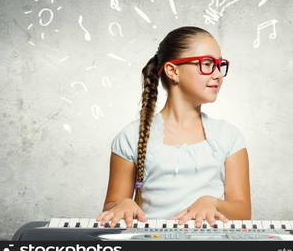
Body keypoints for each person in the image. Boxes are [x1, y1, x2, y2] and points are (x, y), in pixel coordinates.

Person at [96, 26, 250, 229]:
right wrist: (123, 204)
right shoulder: (131, 137)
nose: (217, 75)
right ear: (173, 71)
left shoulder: (229, 137)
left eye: (219, 65)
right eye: (206, 64)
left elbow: (244, 212)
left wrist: (212, 202)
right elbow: (111, 206)